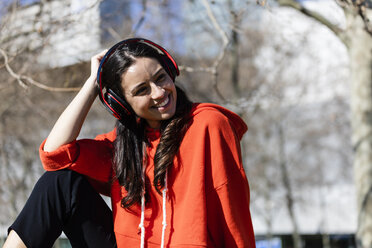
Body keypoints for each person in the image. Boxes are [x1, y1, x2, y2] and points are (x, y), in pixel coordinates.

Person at [3, 38, 256, 248]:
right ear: (121, 105)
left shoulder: (208, 125)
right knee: (59, 182)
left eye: (160, 78)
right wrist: (92, 86)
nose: (159, 93)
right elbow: (53, 155)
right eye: (142, 90)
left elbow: (232, 214)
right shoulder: (124, 145)